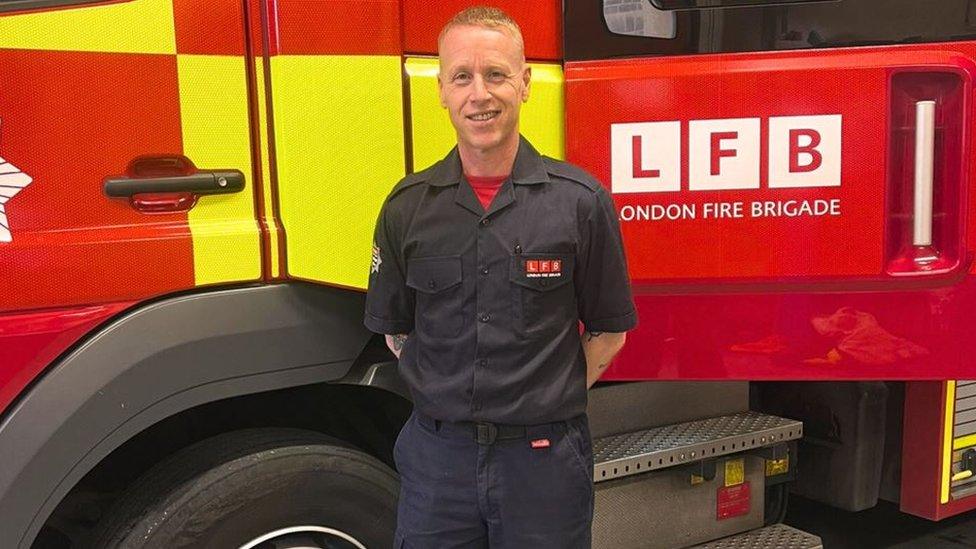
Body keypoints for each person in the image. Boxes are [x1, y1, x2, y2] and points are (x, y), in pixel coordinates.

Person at [364, 6, 637, 548]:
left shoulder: (580, 203)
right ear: (441, 89)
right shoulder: (406, 207)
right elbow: (398, 331)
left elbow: (608, 333)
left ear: (526, 83)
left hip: (544, 465)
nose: (479, 94)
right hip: (439, 463)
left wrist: (541, 399)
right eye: (462, 76)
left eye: (496, 74)